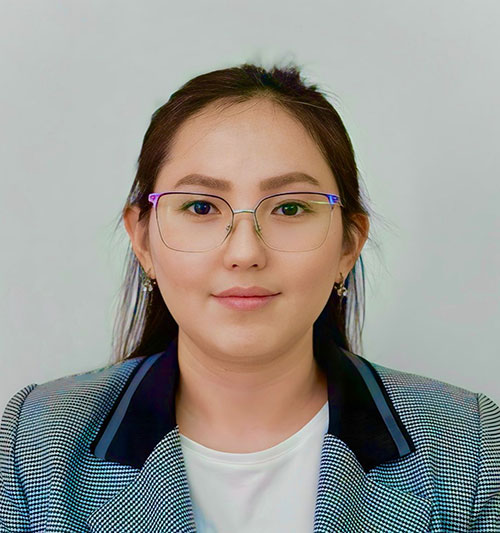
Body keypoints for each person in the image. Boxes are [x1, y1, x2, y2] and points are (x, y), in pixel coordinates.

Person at [1, 63, 499, 533]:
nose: (244, 253)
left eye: (290, 208)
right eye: (201, 207)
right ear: (143, 240)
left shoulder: (468, 446)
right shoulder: (36, 443)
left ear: (348, 245)